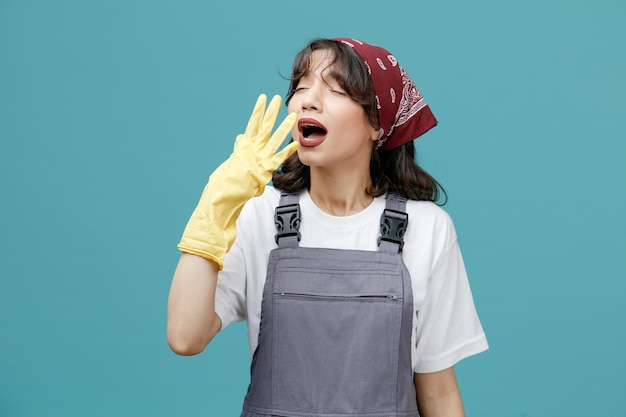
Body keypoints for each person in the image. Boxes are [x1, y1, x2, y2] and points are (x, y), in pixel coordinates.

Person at [167, 38, 488, 417]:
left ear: (376, 124)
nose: (308, 100)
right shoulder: (258, 214)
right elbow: (185, 337)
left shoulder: (427, 228)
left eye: (334, 89)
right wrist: (213, 210)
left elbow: (438, 394)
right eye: (301, 86)